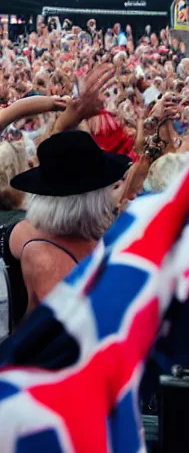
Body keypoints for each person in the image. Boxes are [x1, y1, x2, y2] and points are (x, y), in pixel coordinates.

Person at [8, 130, 131, 316]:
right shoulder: (46, 258)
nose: (113, 191)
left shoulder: (74, 231)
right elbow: (89, 326)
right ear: (93, 199)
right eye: (110, 187)